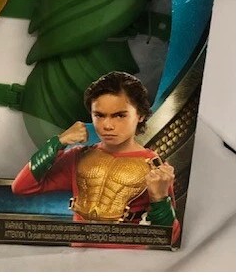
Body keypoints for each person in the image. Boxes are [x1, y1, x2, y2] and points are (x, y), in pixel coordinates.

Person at [12, 70, 180, 241]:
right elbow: (21, 187)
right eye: (99, 115)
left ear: (141, 115)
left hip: (128, 253)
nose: (107, 125)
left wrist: (160, 199)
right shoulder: (78, 157)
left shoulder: (155, 167)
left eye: (119, 115)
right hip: (79, 251)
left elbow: (171, 238)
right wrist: (58, 142)